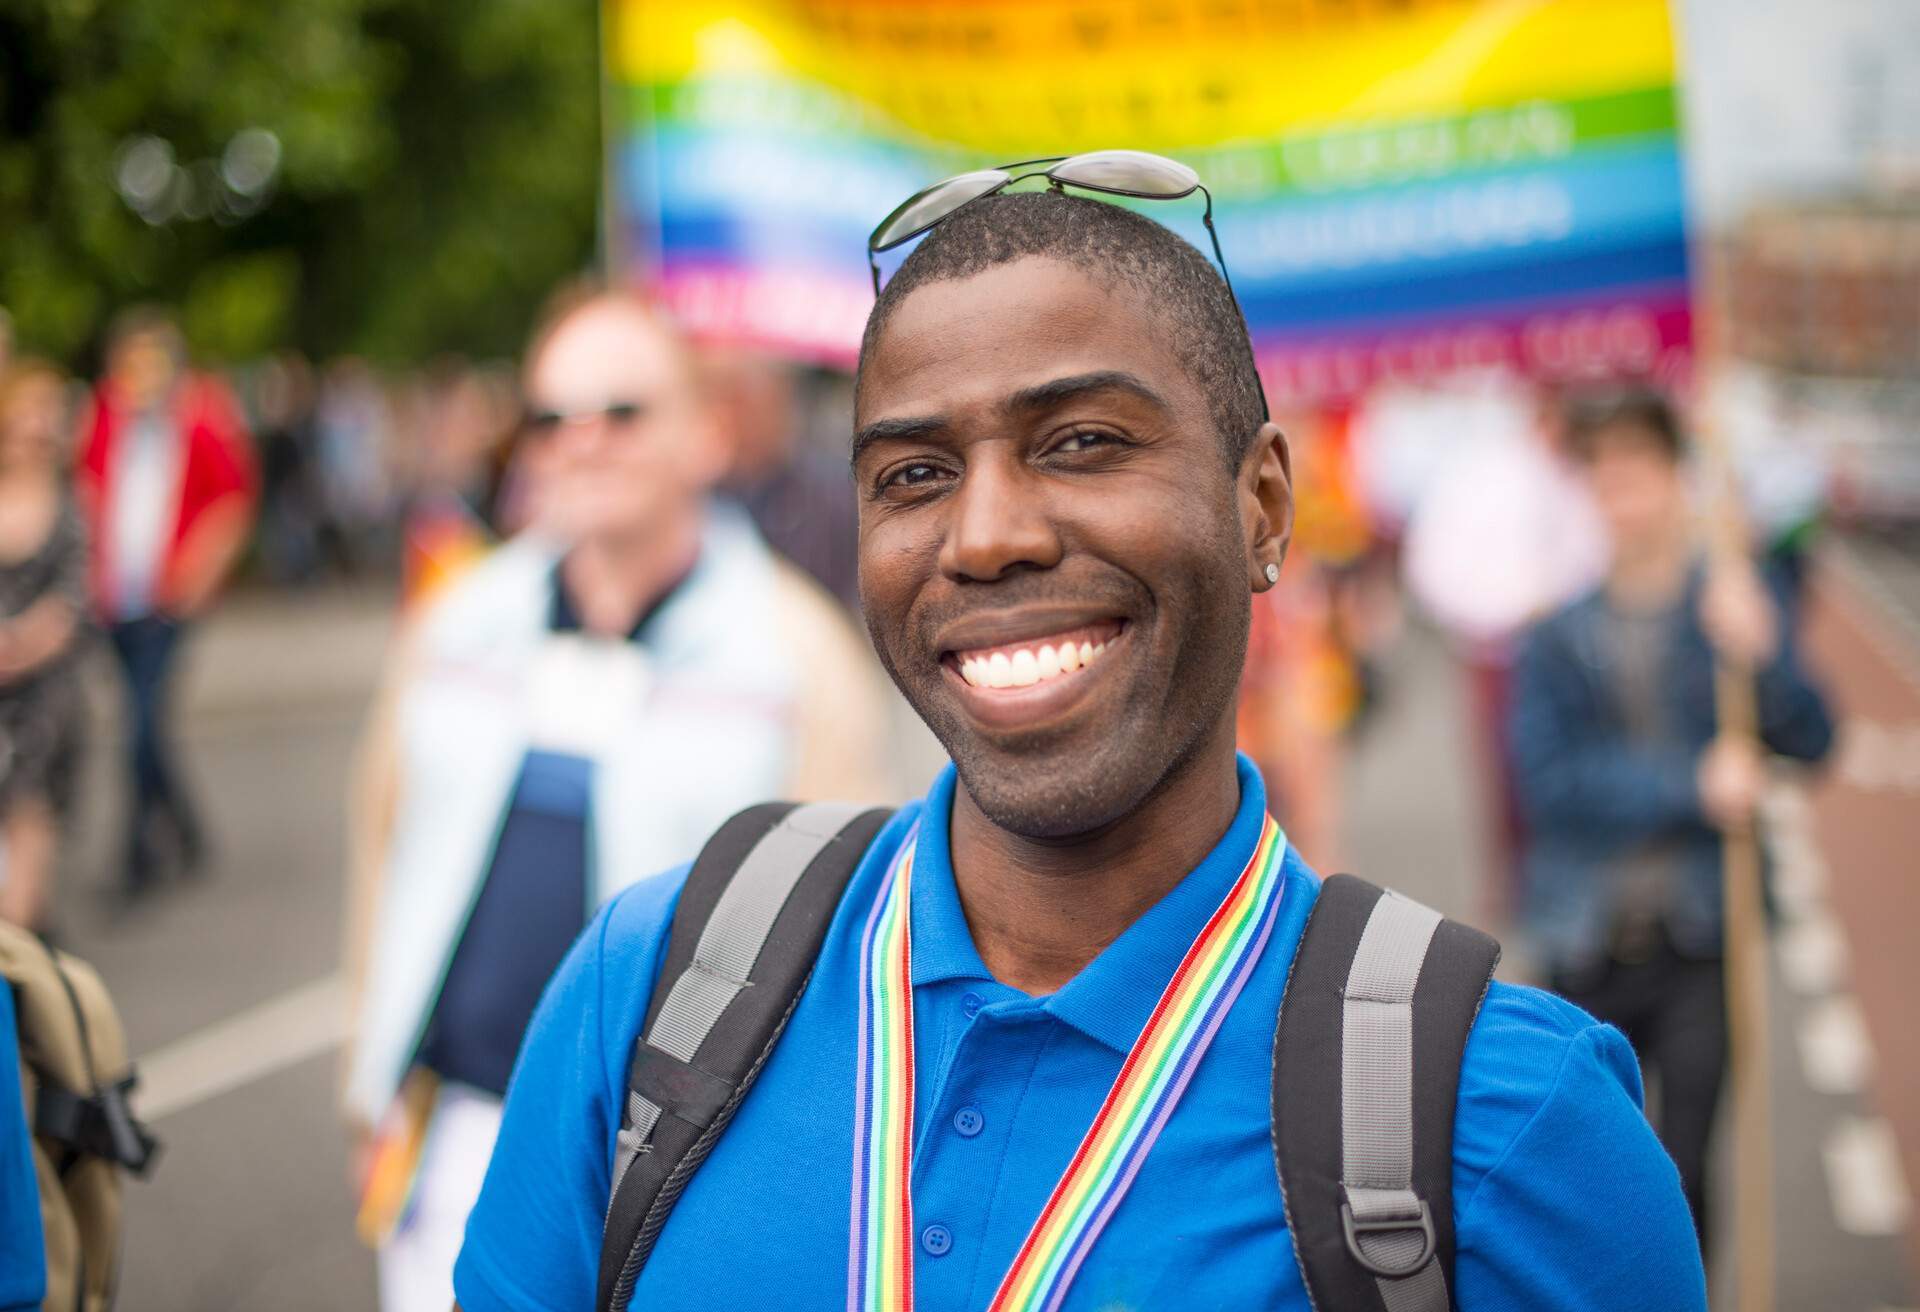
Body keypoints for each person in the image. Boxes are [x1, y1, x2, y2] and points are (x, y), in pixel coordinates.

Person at [453, 185, 1706, 1310]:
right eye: (914, 472)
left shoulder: (1507, 1128)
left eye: (1084, 442)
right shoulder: (652, 987)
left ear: (1263, 504)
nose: (985, 534)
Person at [341, 286, 895, 1312]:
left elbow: (847, 935)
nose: (580, 443)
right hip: (448, 1132)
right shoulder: (455, 617)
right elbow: (384, 845)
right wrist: (366, 1068)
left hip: (671, 1166)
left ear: (705, 434)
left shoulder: (797, 649)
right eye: (552, 417)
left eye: (622, 413)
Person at [1510, 388, 1834, 1254]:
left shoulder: (1730, 606)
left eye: (1641, 474)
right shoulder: (1557, 633)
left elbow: (1813, 738)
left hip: (1703, 935)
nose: (1625, 499)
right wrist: (1691, 783)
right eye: (1606, 478)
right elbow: (1550, 782)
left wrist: (1765, 657)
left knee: (1688, 1174)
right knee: (1585, 1178)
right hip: (1586, 936)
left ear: (1677, 478)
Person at [74, 308, 257, 899]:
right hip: (116, 601)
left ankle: (136, 859)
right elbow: (87, 493)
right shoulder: (103, 421)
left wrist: (197, 573)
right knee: (143, 724)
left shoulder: (198, 420)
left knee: (141, 728)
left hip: (168, 603)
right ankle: (187, 828)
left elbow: (232, 500)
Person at [0, 361, 89, 933]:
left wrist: (15, 649)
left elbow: (72, 605)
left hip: (40, 703)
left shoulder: (71, 508)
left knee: (22, 902)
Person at [709, 348, 863, 613]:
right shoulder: (698, 495)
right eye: (716, 398)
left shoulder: (835, 495)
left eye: (740, 398)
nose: (727, 414)